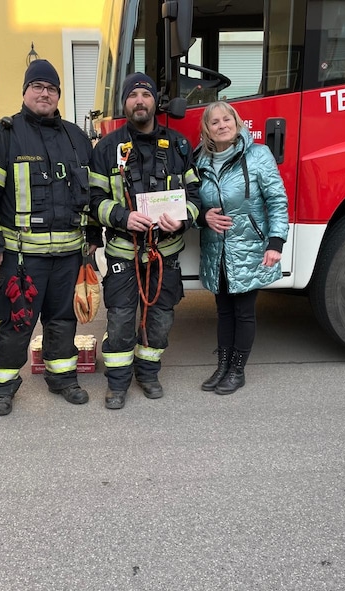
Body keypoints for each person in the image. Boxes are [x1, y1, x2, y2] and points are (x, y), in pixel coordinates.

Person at [0, 59, 99, 416]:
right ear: (25, 92)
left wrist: (93, 232)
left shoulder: (76, 137)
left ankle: (62, 377)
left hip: (68, 254)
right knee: (18, 321)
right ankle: (3, 386)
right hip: (21, 255)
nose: (45, 93)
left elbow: (92, 191)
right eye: (38, 87)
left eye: (52, 88)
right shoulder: (2, 135)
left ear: (59, 95)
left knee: (63, 320)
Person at [89, 72, 200, 409]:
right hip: (124, 251)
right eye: (133, 95)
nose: (139, 100)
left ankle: (149, 374)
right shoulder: (107, 148)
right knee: (121, 319)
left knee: (161, 318)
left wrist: (183, 216)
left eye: (145, 94)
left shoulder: (179, 146)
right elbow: (93, 200)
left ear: (155, 102)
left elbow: (196, 194)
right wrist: (124, 217)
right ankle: (118, 384)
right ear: (125, 103)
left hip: (166, 253)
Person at [196, 101, 289, 395]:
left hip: (249, 245)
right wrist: (202, 216)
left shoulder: (258, 155)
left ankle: (237, 370)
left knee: (244, 311)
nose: (222, 125)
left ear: (237, 123)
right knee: (223, 311)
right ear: (207, 130)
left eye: (227, 119)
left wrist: (276, 242)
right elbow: (191, 200)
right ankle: (223, 367)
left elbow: (276, 200)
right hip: (216, 248)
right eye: (215, 122)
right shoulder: (200, 160)